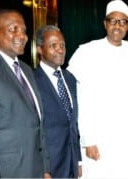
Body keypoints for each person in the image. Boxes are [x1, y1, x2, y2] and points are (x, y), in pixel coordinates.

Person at [67, 0, 128, 177]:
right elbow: (77, 97)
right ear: (105, 23)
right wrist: (88, 139)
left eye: (122, 22)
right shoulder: (86, 52)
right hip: (98, 138)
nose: (117, 26)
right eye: (113, 21)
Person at [0, 9, 50, 178]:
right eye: (14, 29)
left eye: (24, 31)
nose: (22, 36)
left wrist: (45, 168)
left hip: (35, 170)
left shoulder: (27, 70)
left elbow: (37, 124)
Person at [34, 25, 82, 178]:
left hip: (71, 165)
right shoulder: (31, 81)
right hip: (49, 167)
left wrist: (78, 161)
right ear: (40, 49)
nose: (60, 49)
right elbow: (32, 130)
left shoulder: (70, 79)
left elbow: (72, 125)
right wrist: (42, 168)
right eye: (53, 45)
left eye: (62, 45)